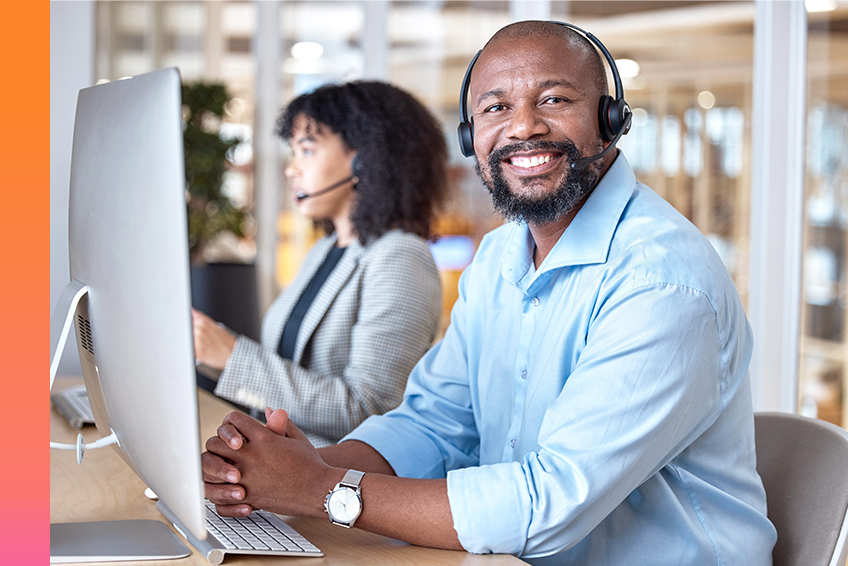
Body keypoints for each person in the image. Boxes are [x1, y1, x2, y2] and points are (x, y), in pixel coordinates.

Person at [200, 21, 778, 565]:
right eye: (496, 107)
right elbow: (434, 421)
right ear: (471, 137)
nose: (523, 126)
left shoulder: (660, 280)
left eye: (553, 99)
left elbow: (549, 503)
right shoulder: (502, 255)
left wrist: (320, 489)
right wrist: (290, 471)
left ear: (610, 118)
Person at [192, 81, 447, 447]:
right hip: (281, 467)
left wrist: (233, 356)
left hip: (333, 483)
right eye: (293, 151)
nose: (291, 169)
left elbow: (369, 408)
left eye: (307, 150)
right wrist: (210, 353)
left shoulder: (400, 257)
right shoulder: (324, 251)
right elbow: (287, 371)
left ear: (365, 159)